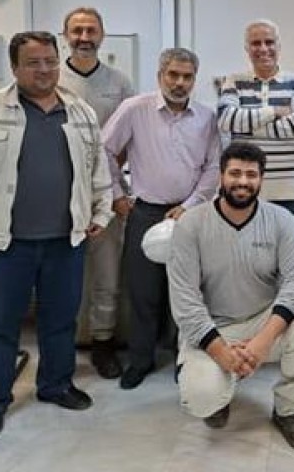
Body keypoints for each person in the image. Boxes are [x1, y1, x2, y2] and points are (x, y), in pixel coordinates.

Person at [0, 31, 112, 441]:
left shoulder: (80, 111)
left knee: (60, 320)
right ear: (14, 67)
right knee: (0, 324)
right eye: (33, 63)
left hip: (66, 239)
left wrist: (102, 211)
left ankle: (56, 384)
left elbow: (98, 169)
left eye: (50, 61)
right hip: (5, 243)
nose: (44, 70)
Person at [167, 142, 294, 452]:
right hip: (212, 326)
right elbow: (185, 301)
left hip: (264, 322)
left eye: (251, 175)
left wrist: (262, 342)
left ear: (261, 179)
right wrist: (220, 351)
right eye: (235, 173)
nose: (242, 181)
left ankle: (289, 410)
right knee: (201, 399)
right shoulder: (191, 224)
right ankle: (220, 392)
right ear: (221, 176)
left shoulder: (281, 220)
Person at [102, 47, 220, 390]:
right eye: (173, 75)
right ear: (160, 76)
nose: (179, 83)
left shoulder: (206, 117)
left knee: (188, 292)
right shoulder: (135, 109)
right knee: (143, 291)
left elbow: (214, 165)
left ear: (194, 80)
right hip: (147, 213)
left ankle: (186, 360)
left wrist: (191, 204)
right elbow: (103, 150)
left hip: (192, 214)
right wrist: (117, 194)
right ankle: (140, 360)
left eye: (187, 77)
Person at [58, 7, 135, 380]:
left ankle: (103, 341)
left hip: (107, 192)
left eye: (91, 30)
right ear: (65, 36)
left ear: (102, 35)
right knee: (61, 275)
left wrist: (114, 187)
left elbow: (129, 140)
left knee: (107, 273)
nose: (84, 37)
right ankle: (63, 344)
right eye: (77, 30)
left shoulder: (119, 83)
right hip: (58, 193)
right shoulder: (52, 79)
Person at [217, 19, 294, 230]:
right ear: (247, 48)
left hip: (287, 193)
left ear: (279, 46)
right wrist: (275, 112)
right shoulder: (233, 81)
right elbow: (226, 120)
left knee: (287, 250)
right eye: (256, 43)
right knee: (240, 250)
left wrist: (246, 127)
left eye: (269, 42)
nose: (263, 49)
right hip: (243, 190)